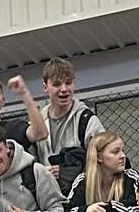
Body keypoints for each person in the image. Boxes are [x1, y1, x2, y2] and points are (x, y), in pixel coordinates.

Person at [27, 59, 105, 195]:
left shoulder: (87, 120)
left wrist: (67, 172)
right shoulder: (36, 125)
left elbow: (104, 160)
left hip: (83, 196)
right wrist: (42, 173)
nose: (64, 89)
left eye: (68, 83)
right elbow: (28, 165)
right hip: (49, 198)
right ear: (45, 87)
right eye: (57, 84)